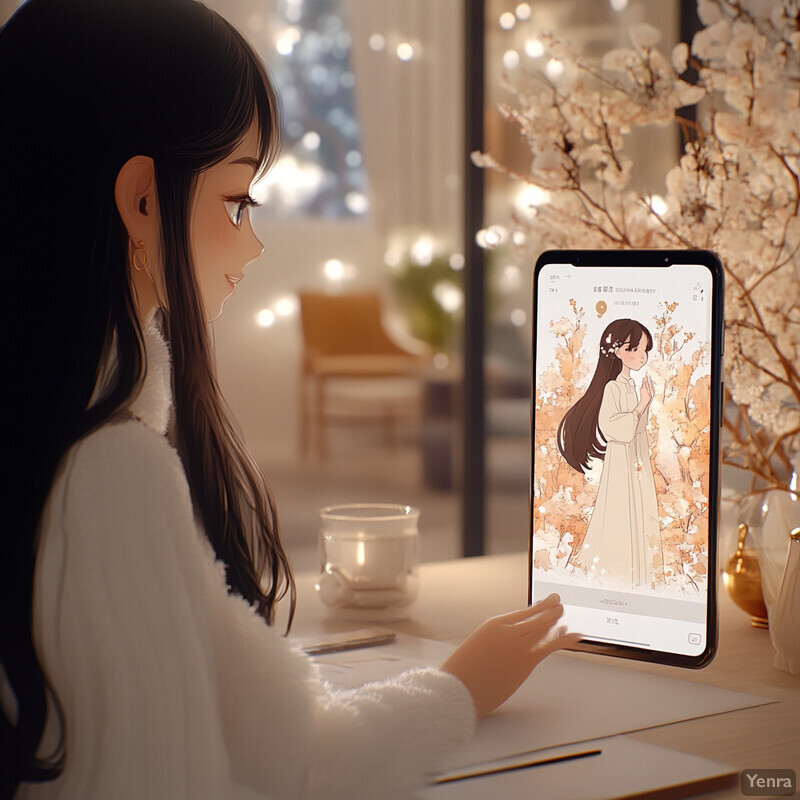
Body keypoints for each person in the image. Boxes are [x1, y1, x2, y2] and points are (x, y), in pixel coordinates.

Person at [0, 0, 580, 797]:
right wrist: (456, 691)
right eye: (238, 202)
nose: (255, 241)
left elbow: (288, 753)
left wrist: (456, 689)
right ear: (142, 201)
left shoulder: (70, 436)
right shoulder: (109, 478)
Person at [557, 319, 659, 587]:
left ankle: (634, 579)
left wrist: (643, 404)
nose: (641, 356)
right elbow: (613, 427)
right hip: (620, 460)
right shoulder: (612, 387)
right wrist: (640, 406)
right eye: (634, 349)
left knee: (636, 510)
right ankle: (615, 575)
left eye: (644, 350)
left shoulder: (630, 386)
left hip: (634, 457)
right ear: (616, 351)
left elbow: (637, 429)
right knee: (619, 512)